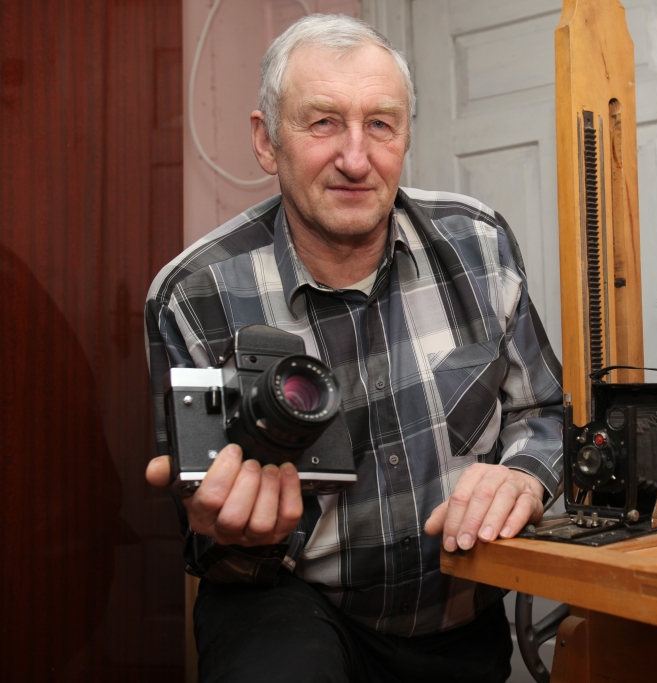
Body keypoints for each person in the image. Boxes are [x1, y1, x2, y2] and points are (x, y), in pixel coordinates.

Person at [143, 13, 563, 683]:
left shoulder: (478, 244)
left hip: (457, 616)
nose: (356, 158)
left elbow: (542, 410)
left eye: (380, 124)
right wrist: (228, 530)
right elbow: (205, 539)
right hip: (288, 604)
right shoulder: (196, 294)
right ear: (265, 140)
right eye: (322, 123)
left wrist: (526, 477)